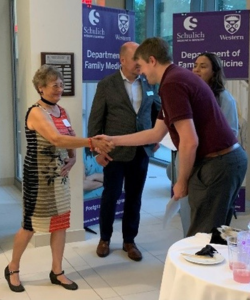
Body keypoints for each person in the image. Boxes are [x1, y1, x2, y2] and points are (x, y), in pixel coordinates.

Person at [101, 37, 248, 238]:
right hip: (225, 162)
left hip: (218, 164)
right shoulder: (175, 79)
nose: (141, 72)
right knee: (212, 234)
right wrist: (113, 140)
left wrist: (181, 181)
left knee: (203, 239)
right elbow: (156, 133)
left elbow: (189, 140)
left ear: (152, 60)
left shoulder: (172, 83)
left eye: (141, 66)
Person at [4, 64, 113, 293]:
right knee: (30, 225)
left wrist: (73, 158)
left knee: (61, 223)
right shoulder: (36, 112)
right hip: (39, 178)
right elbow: (56, 139)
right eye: (54, 85)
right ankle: (12, 268)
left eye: (61, 85)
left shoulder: (61, 111)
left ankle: (57, 271)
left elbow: (69, 136)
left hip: (59, 179)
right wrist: (92, 142)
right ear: (41, 88)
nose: (59, 89)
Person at [88, 41, 161, 261]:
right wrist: (96, 151)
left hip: (141, 152)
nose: (140, 63)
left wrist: (157, 137)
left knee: (135, 197)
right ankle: (105, 239)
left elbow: (158, 109)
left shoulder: (149, 82)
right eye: (135, 58)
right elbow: (95, 120)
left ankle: (129, 240)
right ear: (122, 60)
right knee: (110, 196)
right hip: (114, 153)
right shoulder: (107, 84)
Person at [175, 52, 239, 236]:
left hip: (211, 166)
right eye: (195, 65)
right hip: (189, 162)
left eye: (203, 66)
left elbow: (231, 133)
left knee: (208, 220)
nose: (196, 69)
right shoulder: (189, 94)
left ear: (214, 71)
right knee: (188, 211)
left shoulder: (224, 99)